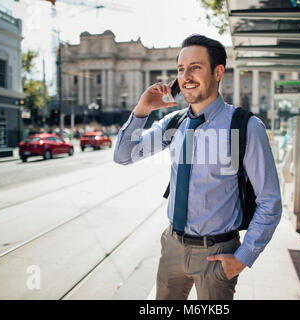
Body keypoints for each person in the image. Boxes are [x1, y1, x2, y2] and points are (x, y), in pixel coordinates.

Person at [113, 34, 282, 300]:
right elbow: (123, 156)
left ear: (218, 72)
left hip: (217, 254)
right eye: (181, 69)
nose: (186, 76)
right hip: (172, 247)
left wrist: (244, 257)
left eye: (195, 67)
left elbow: (270, 200)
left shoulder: (246, 126)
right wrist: (141, 110)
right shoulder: (174, 123)